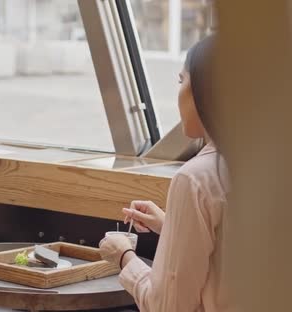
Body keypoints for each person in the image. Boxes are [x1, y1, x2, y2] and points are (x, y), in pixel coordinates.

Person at [99, 35, 232, 311]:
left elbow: (168, 306)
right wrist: (169, 225)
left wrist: (124, 257)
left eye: (182, 81)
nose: (179, 93)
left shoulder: (195, 179)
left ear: (205, 92)